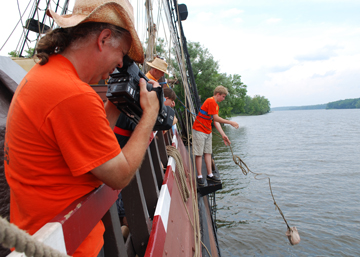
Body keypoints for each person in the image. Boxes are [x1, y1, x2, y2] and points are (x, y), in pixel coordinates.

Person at [4, 0, 160, 256]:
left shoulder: (44, 76)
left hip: (38, 238)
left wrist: (117, 103)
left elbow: (88, 142)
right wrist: (149, 116)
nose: (121, 64)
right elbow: (119, 174)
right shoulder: (73, 95)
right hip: (69, 246)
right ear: (104, 38)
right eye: (121, 52)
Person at [192, 85, 239, 187]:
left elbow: (215, 121)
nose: (223, 98)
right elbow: (217, 119)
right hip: (199, 129)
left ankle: (210, 174)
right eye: (223, 96)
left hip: (207, 131)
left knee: (208, 152)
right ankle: (199, 176)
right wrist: (230, 122)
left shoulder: (216, 105)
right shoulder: (211, 101)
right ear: (218, 94)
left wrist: (223, 135)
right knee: (199, 153)